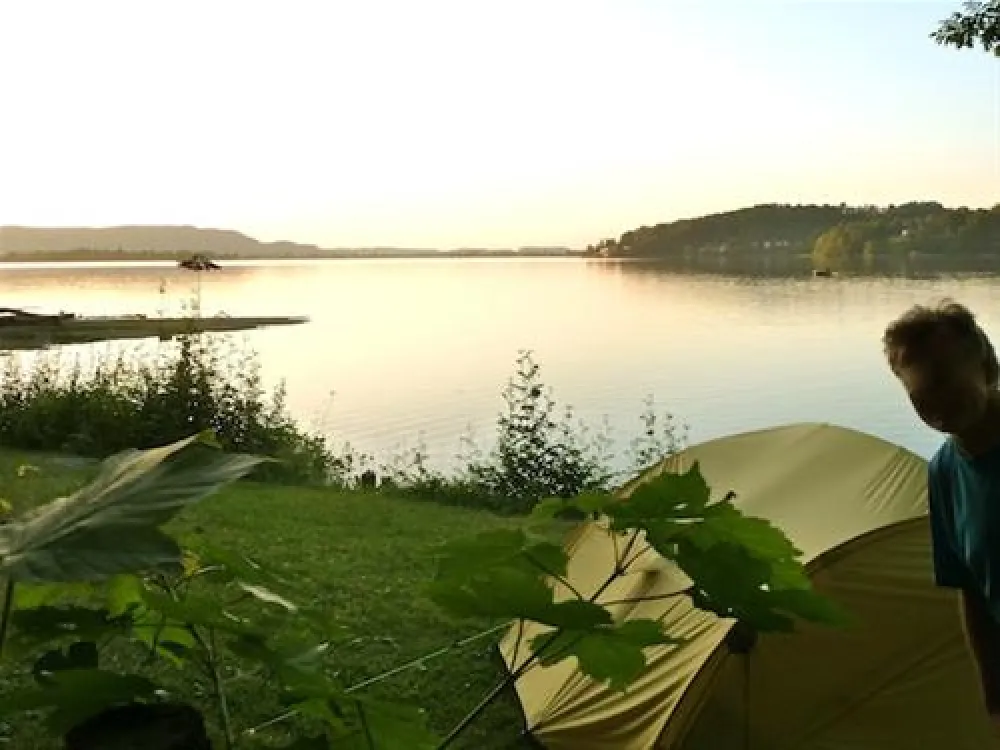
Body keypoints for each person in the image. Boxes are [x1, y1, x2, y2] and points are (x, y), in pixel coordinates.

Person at [883, 299, 1000, 728]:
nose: (939, 404)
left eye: (946, 382)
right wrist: (993, 700)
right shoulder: (944, 472)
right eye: (921, 395)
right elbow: (971, 591)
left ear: (987, 368)